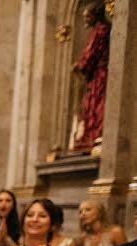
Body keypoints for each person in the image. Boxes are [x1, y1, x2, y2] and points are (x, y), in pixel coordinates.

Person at [72, 2, 112, 152]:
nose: (85, 20)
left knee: (98, 104)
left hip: (101, 75)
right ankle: (91, 137)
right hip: (96, 76)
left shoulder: (102, 30)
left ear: (95, 15)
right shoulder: (97, 30)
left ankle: (97, 136)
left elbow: (92, 53)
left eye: (87, 17)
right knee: (91, 106)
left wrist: (80, 65)